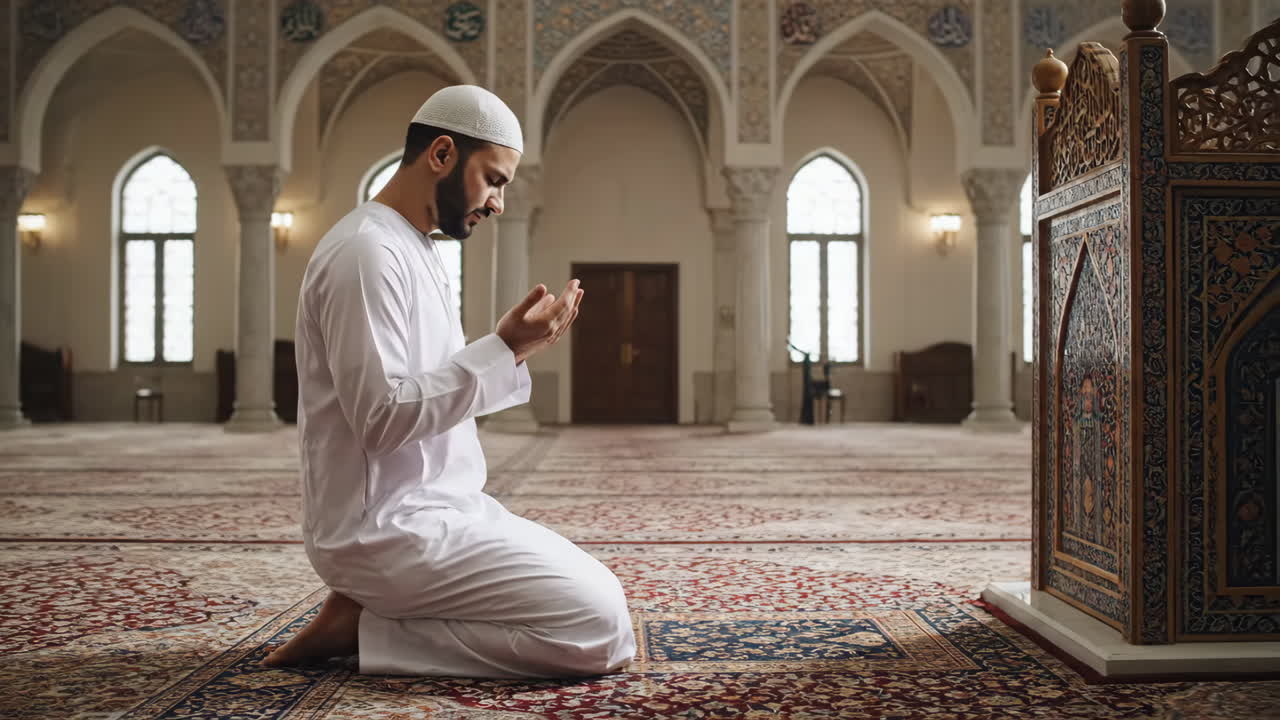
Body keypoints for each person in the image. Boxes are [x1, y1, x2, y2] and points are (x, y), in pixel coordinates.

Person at [263, 85, 636, 678]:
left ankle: (363, 620)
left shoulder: (415, 247)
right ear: (441, 154)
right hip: (384, 530)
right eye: (494, 180)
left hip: (447, 508)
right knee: (598, 632)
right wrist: (503, 349)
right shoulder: (366, 252)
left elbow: (430, 388)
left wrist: (511, 350)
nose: (498, 203)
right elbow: (381, 418)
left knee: (605, 600)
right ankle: (368, 627)